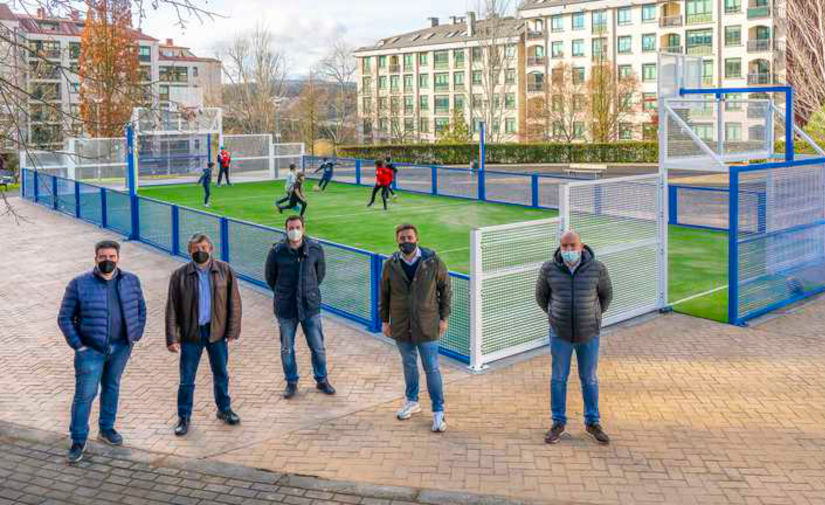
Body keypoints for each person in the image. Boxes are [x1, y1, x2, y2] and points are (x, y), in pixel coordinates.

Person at [57, 240, 147, 463]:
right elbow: (64, 317)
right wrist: (78, 345)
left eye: (112, 256)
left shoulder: (131, 281)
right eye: (103, 256)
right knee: (85, 395)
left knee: (112, 387)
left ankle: (106, 429)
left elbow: (141, 308)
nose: (108, 260)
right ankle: (78, 439)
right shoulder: (79, 284)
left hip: (121, 347)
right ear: (96, 258)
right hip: (91, 351)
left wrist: (134, 335)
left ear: (118, 258)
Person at [535, 230, 613, 445]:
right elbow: (541, 297)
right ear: (560, 248)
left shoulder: (597, 268)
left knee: (589, 378)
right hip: (560, 334)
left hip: (589, 334)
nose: (569, 250)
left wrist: (592, 316)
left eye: (573, 246)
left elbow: (606, 296)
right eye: (565, 246)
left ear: (582, 247)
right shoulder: (549, 269)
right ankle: (558, 422)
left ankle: (592, 422)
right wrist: (555, 316)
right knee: (558, 378)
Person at [166, 234, 243, 436]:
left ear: (211, 249)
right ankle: (184, 416)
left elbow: (234, 302)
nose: (199, 251)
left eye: (203, 247)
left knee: (221, 374)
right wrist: (172, 338)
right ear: (189, 251)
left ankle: (224, 409)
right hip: (191, 333)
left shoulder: (225, 270)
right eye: (195, 248)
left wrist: (233, 330)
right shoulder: (179, 275)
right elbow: (171, 308)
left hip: (216, 332)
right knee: (187, 379)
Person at [380, 223, 452, 433]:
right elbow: (384, 295)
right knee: (409, 365)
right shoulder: (390, 264)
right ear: (397, 241)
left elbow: (445, 290)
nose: (406, 242)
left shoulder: (433, 262)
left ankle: (438, 411)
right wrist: (385, 321)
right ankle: (412, 401)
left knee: (431, 367)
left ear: (417, 239)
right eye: (402, 238)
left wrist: (443, 317)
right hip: (402, 324)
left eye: (409, 238)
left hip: (427, 323)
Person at [264, 215, 335, 399]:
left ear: (303, 228)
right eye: (290, 227)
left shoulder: (315, 249)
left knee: (318, 347)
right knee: (287, 348)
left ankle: (322, 379)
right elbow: (270, 277)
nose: (294, 231)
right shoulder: (277, 251)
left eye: (297, 227)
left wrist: (308, 291)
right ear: (286, 229)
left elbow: (320, 274)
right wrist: (284, 293)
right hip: (286, 308)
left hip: (309, 306)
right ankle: (291, 382)